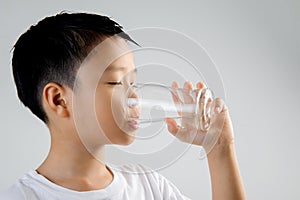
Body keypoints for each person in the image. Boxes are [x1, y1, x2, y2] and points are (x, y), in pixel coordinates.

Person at [1, 12, 246, 199]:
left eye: (135, 83)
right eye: (116, 82)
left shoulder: (148, 186)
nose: (135, 98)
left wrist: (219, 148)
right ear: (59, 100)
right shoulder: (23, 196)